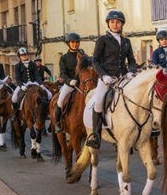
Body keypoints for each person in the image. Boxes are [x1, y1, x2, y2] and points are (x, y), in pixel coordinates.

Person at [87, 9, 137, 149]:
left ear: (122, 24)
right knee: (98, 102)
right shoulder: (102, 40)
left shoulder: (126, 41)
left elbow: (132, 61)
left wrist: (131, 72)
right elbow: (95, 61)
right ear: (108, 24)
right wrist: (103, 76)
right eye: (112, 22)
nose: (115, 24)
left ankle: (138, 130)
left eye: (118, 22)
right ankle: (96, 136)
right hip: (107, 78)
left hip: (123, 77)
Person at [54, 32, 84, 134]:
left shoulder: (83, 56)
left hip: (82, 84)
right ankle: (57, 123)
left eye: (77, 42)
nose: (75, 44)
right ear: (68, 43)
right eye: (72, 42)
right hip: (69, 84)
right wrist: (69, 81)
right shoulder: (64, 58)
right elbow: (62, 73)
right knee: (60, 101)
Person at [12, 47, 39, 113]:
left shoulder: (33, 64)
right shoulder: (18, 66)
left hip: (34, 83)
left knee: (49, 94)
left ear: (28, 54)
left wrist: (41, 84)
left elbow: (37, 76)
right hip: (23, 84)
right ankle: (15, 114)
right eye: (22, 55)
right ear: (20, 56)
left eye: (25, 54)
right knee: (14, 98)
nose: (24, 56)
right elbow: (18, 78)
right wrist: (21, 86)